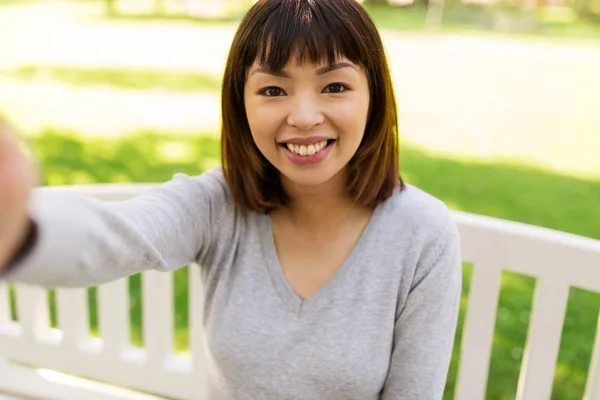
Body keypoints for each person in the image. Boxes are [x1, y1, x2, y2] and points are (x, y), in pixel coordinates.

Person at [0, 0, 462, 398]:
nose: (303, 116)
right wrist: (16, 225)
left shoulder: (423, 235)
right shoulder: (216, 206)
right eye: (273, 90)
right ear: (241, 104)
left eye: (335, 86)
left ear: (374, 96)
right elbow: (119, 235)